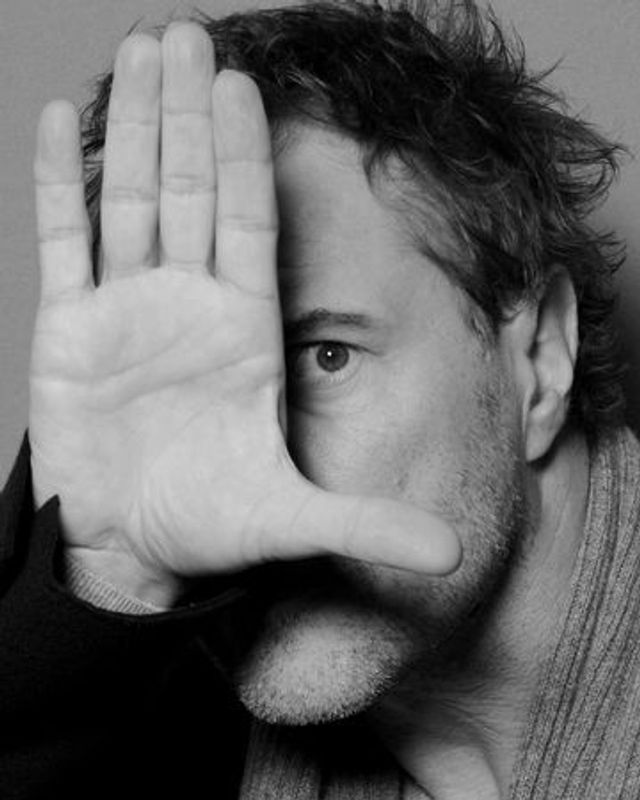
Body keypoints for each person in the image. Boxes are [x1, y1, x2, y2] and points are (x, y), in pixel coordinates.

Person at [1, 0, 636, 797]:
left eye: (326, 357)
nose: (245, 466)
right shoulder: (153, 718)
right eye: (190, 386)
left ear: (540, 357)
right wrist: (110, 578)